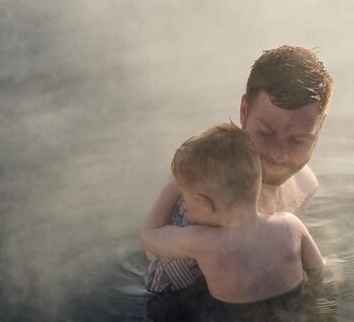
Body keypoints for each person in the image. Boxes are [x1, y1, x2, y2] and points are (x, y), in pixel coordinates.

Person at [142, 46, 333, 293]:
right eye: (265, 133)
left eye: (298, 140)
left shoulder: (305, 183)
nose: (279, 155)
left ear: (320, 127)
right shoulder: (202, 202)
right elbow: (164, 297)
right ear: (244, 111)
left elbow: (326, 250)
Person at [140, 122, 325, 304]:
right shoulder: (290, 225)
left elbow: (150, 234)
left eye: (187, 200)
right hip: (293, 311)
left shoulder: (203, 241)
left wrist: (172, 186)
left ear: (205, 204)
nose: (185, 207)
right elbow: (319, 269)